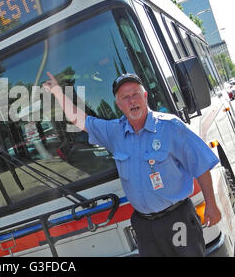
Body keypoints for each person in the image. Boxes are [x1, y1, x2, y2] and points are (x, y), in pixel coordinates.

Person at [42, 71, 222, 256]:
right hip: (144, 226)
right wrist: (57, 91)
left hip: (177, 220)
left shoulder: (170, 127)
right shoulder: (114, 132)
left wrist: (211, 204)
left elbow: (200, 165)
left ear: (145, 96)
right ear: (119, 104)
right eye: (125, 97)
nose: (132, 101)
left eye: (135, 94)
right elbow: (80, 120)